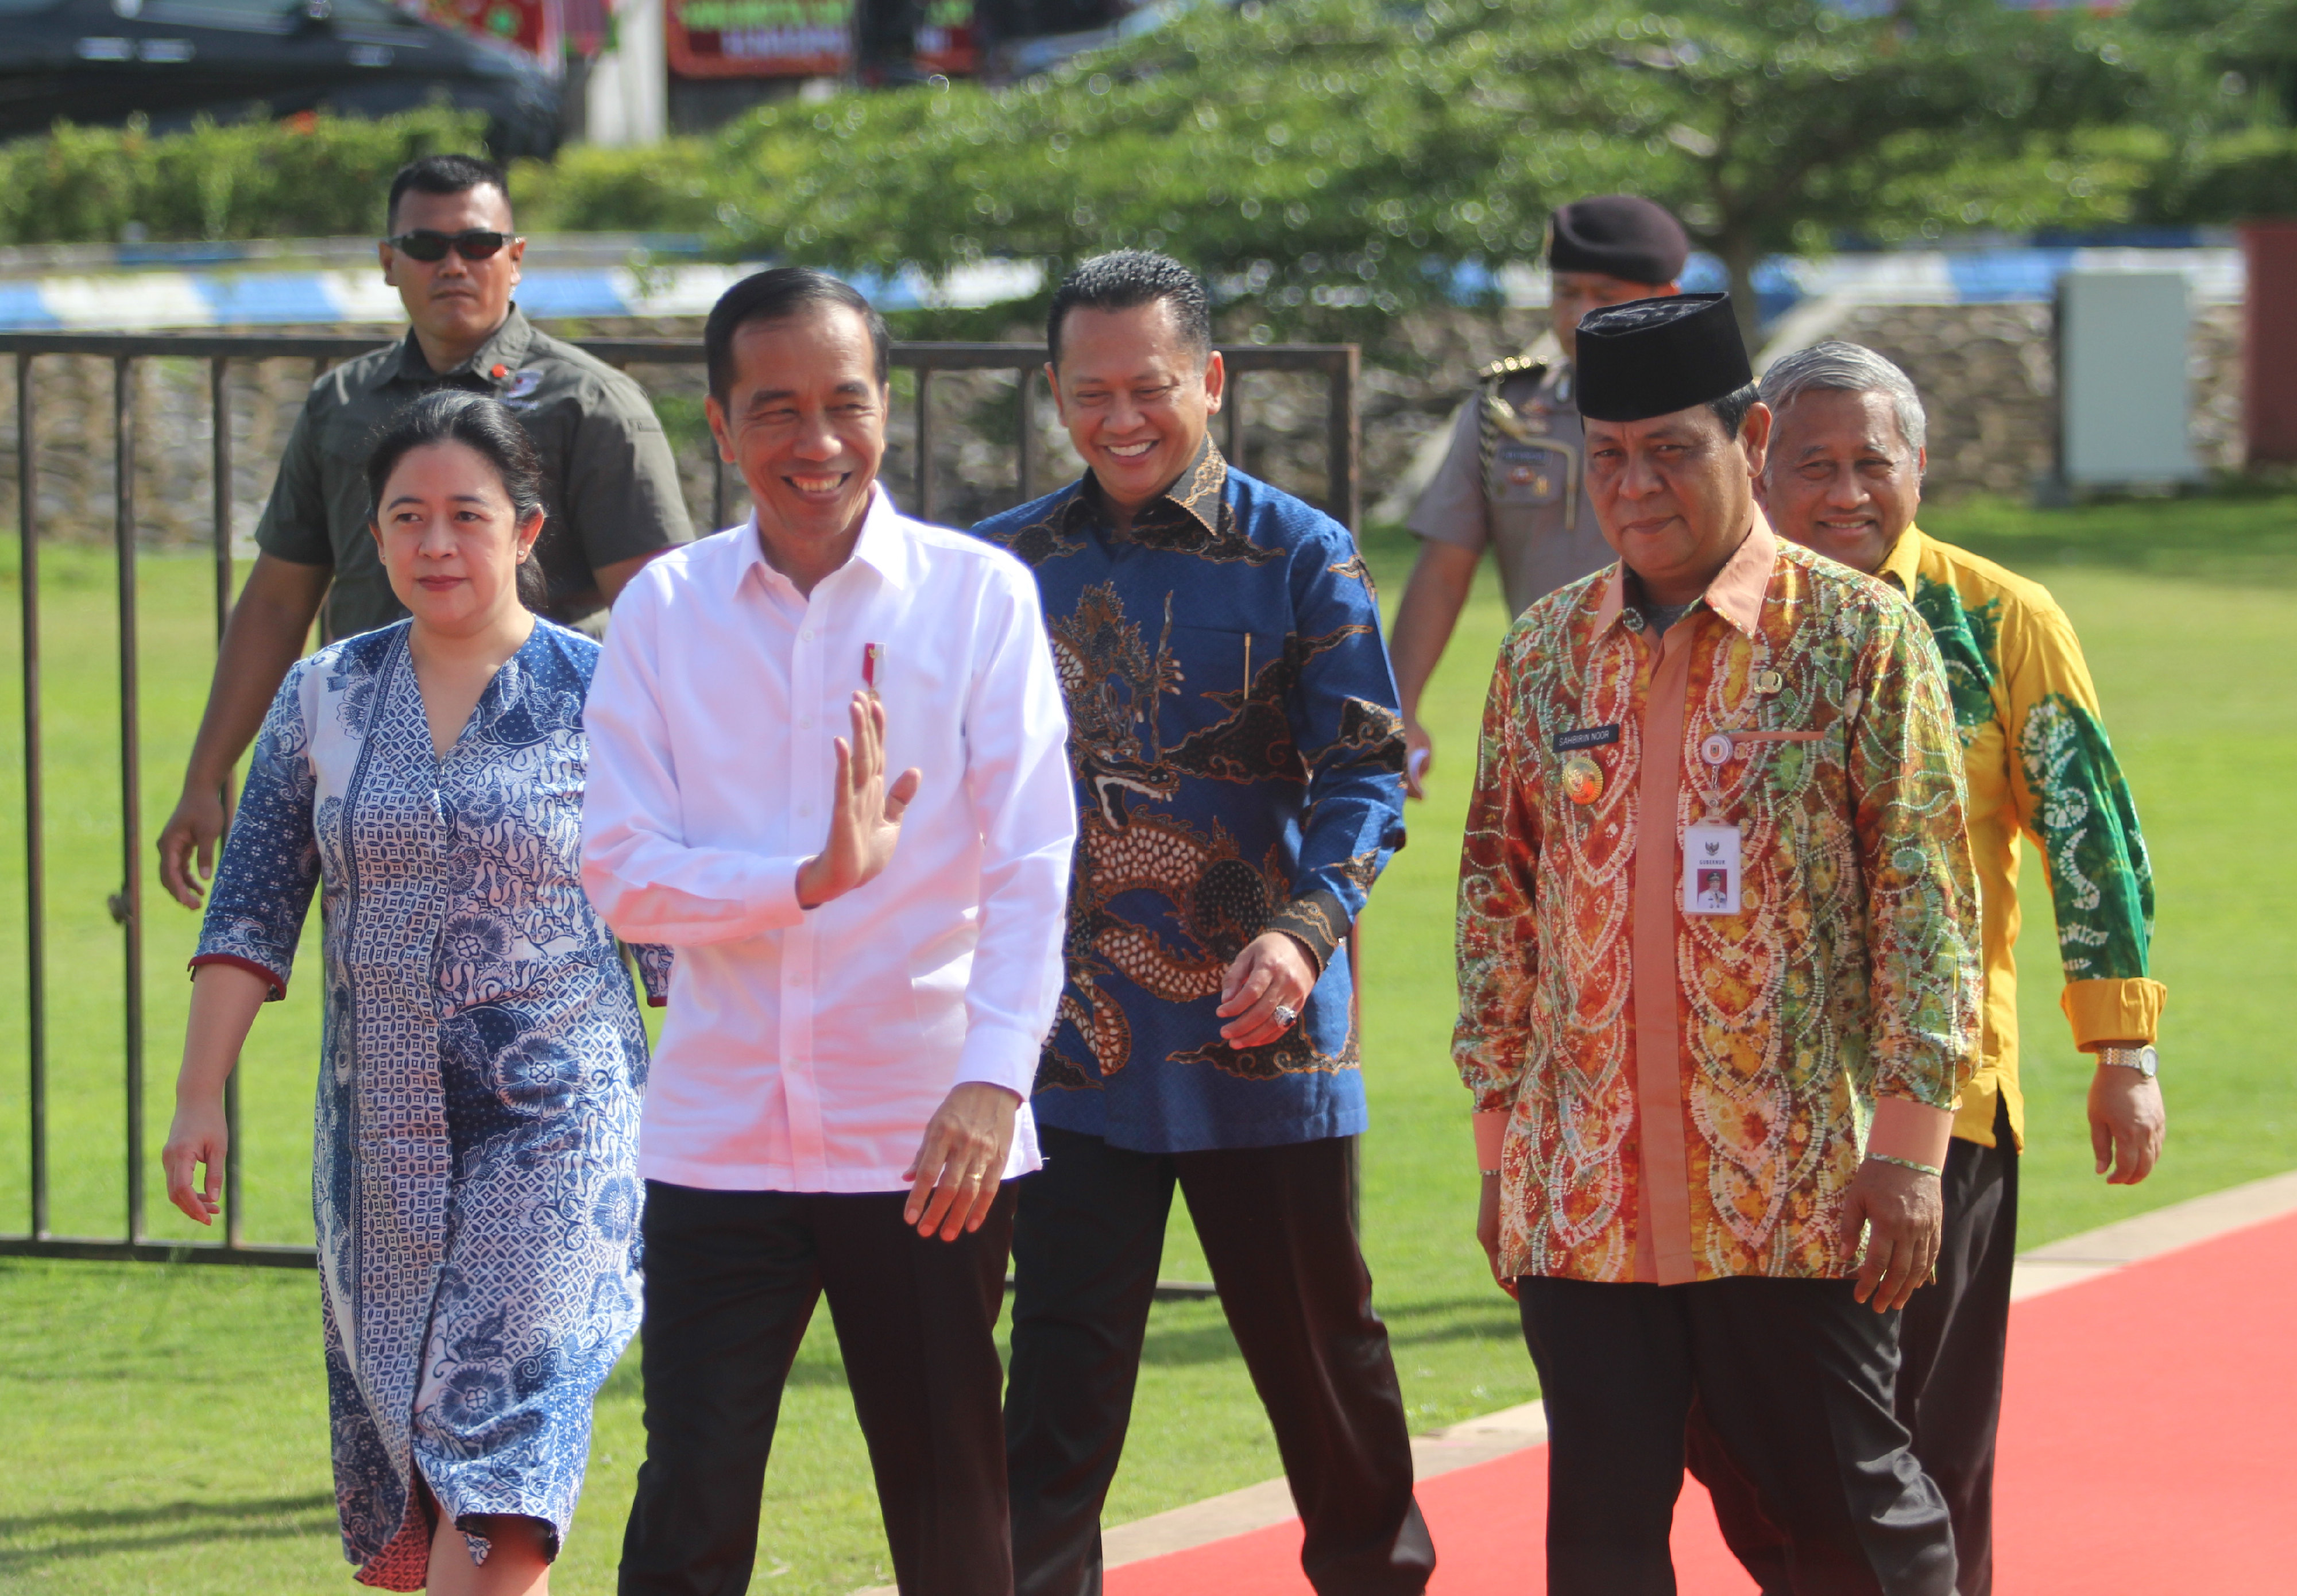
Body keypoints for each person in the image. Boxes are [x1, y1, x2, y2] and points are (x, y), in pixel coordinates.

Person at [1451, 293, 1982, 1595]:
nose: (1635, 487)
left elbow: (1924, 906)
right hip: (1584, 1196)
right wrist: (1501, 1156)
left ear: (1748, 441)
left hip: (1793, 1193)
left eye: (1670, 451)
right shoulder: (1544, 655)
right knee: (1602, 1548)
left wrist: (1908, 1155)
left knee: (1854, 1525)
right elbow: (1495, 911)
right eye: (1609, 456)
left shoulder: (1859, 637)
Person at [578, 267, 1075, 1596]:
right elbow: (620, 873)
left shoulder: (978, 597)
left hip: (924, 1132)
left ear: (886, 408)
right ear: (719, 425)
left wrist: (993, 1078)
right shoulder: (664, 611)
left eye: (844, 403)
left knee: (950, 1499)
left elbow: (1034, 859)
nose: (817, 442)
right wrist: (803, 880)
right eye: (776, 409)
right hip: (719, 1135)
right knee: (687, 1502)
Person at [973, 250, 1432, 1596]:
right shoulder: (1000, 566)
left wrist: (1300, 930)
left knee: (1323, 1364)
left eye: (1151, 387)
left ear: (1211, 381)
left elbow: (1364, 772)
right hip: (1068, 1047)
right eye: (1090, 393)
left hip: (1264, 1035)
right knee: (1056, 1381)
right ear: (1055, 392)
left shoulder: (1302, 553)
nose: (1121, 419)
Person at [160, 390, 670, 1594]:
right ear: (374, 535)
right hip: (379, 1137)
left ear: (526, 529)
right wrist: (198, 1097)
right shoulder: (321, 695)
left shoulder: (608, 693)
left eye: (466, 515)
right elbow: (250, 911)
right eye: (407, 517)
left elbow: (677, 934)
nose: (436, 543)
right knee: (423, 1438)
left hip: (564, 1123)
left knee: (500, 1431)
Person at [1699, 339, 2167, 1596]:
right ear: (1757, 465)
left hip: (1938, 1108)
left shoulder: (1998, 619)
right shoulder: (1715, 617)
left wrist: (2121, 1048)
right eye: (1814, 465)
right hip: (1740, 1109)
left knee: (1922, 1448)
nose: (1846, 492)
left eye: (1873, 463)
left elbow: (2089, 835)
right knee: (1735, 1434)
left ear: (1921, 468)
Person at [157, 151, 693, 913]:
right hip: (371, 772)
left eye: (478, 244)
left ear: (515, 257)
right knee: (371, 973)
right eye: (425, 246)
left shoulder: (591, 405)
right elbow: (277, 601)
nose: (453, 265)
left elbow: (658, 616)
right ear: (388, 262)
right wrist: (207, 775)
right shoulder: (341, 404)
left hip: (541, 777)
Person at [1391, 194, 1687, 798]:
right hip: (1549, 716)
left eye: (1605, 295)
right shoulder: (1507, 415)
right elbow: (1444, 569)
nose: (1580, 314)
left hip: (1690, 709)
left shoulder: (1716, 420)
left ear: (1667, 297)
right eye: (1565, 293)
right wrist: (1397, 709)